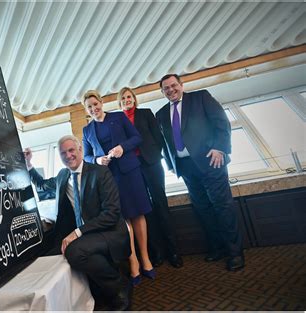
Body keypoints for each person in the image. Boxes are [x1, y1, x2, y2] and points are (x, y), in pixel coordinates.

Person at [23, 135, 132, 310]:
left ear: (80, 149)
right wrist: (29, 164)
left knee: (74, 251)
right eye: (63, 153)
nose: (68, 155)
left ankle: (119, 286)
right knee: (50, 252)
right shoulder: (63, 175)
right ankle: (90, 290)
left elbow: (111, 214)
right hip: (86, 235)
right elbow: (43, 185)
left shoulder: (100, 172)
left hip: (108, 231)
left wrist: (77, 232)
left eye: (71, 150)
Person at [156, 74, 244, 271]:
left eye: (173, 85)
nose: (171, 90)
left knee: (222, 206)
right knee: (202, 208)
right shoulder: (161, 114)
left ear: (181, 85)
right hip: (186, 167)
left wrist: (220, 147)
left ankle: (235, 252)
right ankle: (217, 247)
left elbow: (222, 122)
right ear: (162, 92)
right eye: (166, 88)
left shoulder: (201, 97)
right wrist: (171, 165)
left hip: (211, 160)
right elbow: (164, 143)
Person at [81, 90, 156, 286]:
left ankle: (145, 258)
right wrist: (97, 159)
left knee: (138, 214)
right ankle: (133, 262)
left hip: (130, 172)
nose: (94, 109)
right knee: (122, 220)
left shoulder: (118, 117)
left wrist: (123, 147)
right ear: (86, 110)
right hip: (107, 178)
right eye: (89, 107)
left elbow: (136, 138)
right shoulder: (86, 130)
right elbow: (87, 157)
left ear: (101, 102)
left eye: (95, 104)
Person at [117, 86, 183, 268]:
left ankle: (174, 251)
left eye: (129, 97)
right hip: (132, 169)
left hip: (151, 164)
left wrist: (153, 155)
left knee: (161, 205)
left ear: (134, 99)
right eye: (123, 98)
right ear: (119, 102)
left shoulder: (145, 113)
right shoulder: (118, 120)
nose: (127, 100)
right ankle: (157, 253)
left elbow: (158, 137)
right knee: (145, 211)